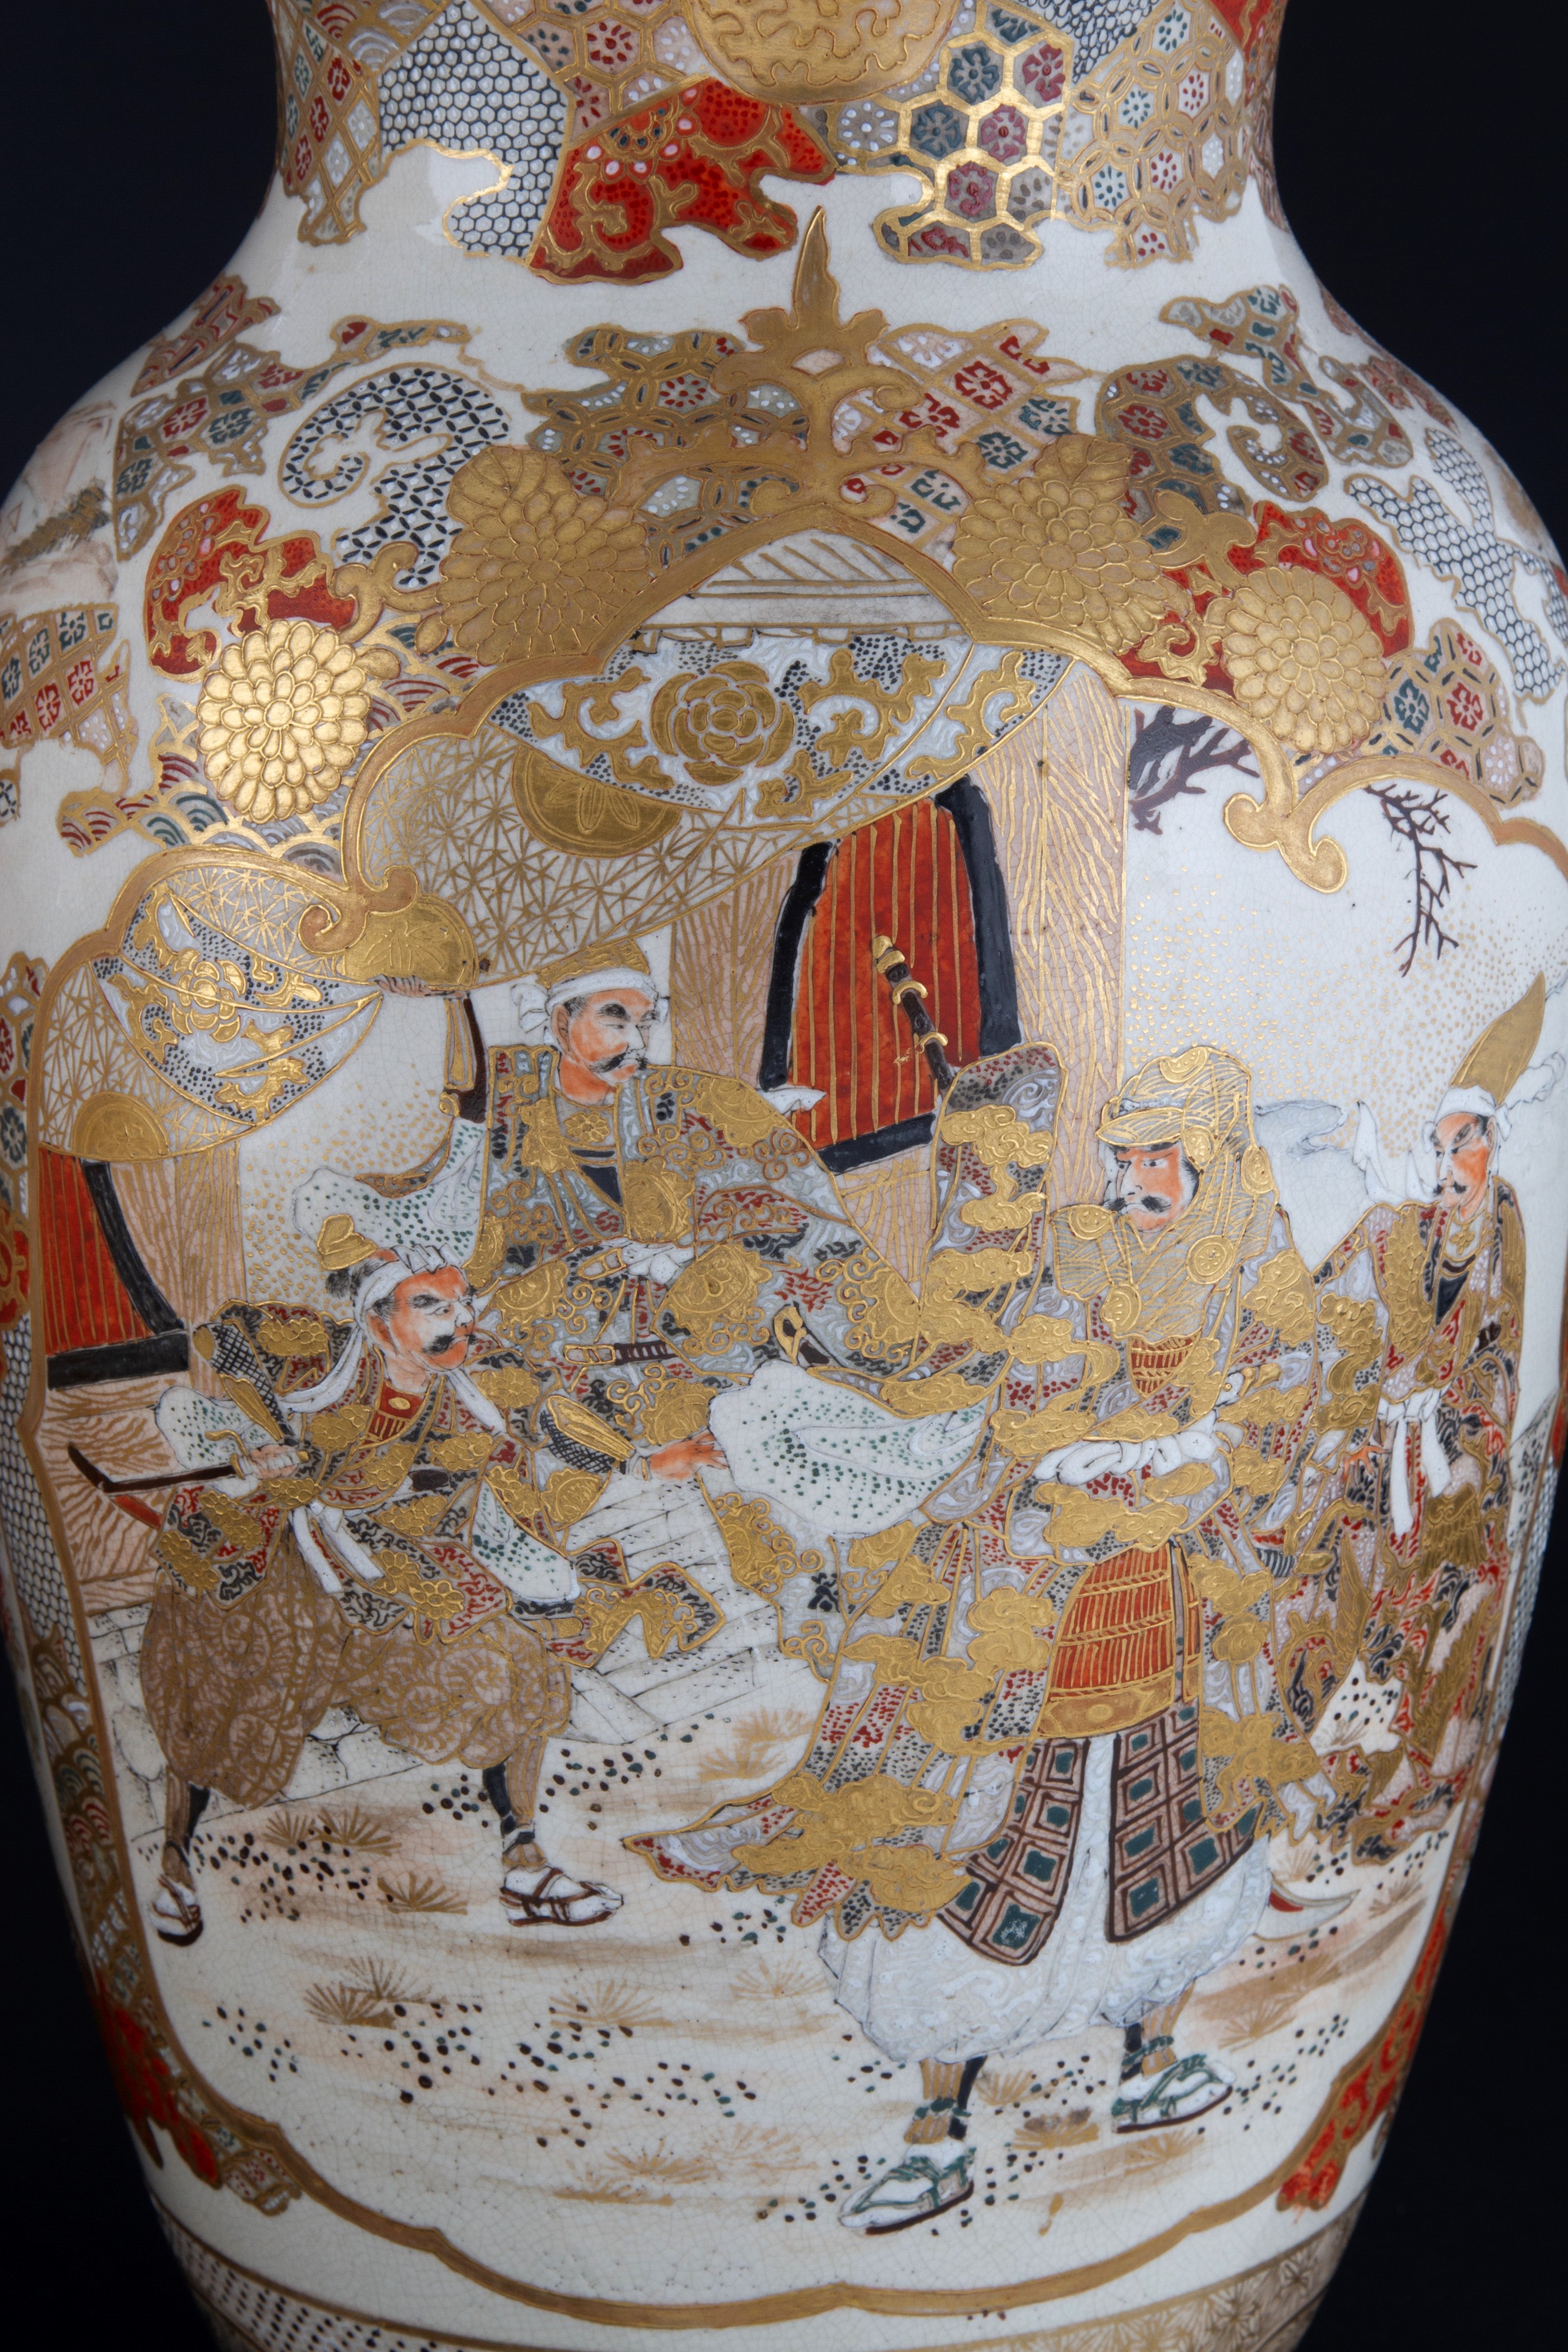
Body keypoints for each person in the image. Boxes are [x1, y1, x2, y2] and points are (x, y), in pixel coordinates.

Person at [632, 1045, 1330, 2229]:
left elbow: (1279, 1403)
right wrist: (1070, 1450)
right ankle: (937, 2123)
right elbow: (1015, 1391)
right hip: (1040, 1601)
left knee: (1180, 1831)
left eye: (1156, 1158)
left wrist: (1192, 1455)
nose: (1130, 1179)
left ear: (1211, 1156)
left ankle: (1152, 2054)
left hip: (1181, 1608)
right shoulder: (1076, 1253)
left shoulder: (1259, 1269)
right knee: (972, 1840)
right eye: (1120, 1157)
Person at [140, 1178, 631, 1947]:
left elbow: (516, 1449)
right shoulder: (319, 1353)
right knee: (225, 1690)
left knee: (516, 1666)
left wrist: (631, 1463)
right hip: (286, 1560)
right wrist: (270, 1437)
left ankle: (524, 1862)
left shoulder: (470, 1390)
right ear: (378, 1317)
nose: (456, 1322)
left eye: (460, 1304)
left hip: (385, 1566)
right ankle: (173, 1859)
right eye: (430, 1306)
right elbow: (221, 1337)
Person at [1280, 977, 1541, 1857]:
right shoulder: (1404, 1230)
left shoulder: (1503, 1225)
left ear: (1492, 1144)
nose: (1448, 1165)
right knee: (1329, 1557)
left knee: (1444, 1603)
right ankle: (1327, 1770)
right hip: (1386, 1454)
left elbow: (1501, 1355)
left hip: (1454, 1474)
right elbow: (1331, 1302)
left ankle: (1404, 1791)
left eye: (1463, 1145)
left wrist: (1454, 1437)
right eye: (1438, 1146)